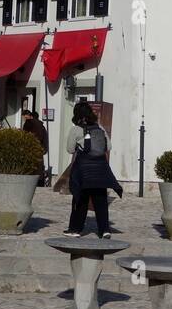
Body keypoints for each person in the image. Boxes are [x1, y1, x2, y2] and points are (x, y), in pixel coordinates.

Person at [63, 100, 122, 238]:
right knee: (100, 201)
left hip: (83, 171)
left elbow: (70, 149)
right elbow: (109, 147)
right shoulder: (99, 128)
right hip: (100, 170)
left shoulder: (76, 129)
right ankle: (105, 230)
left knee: (80, 199)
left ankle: (75, 230)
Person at [21, 108, 50, 185]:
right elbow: (44, 138)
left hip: (31, 149)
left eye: (25, 117)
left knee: (32, 169)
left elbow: (26, 136)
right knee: (39, 170)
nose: (24, 119)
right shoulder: (41, 125)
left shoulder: (29, 124)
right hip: (40, 149)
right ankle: (40, 183)